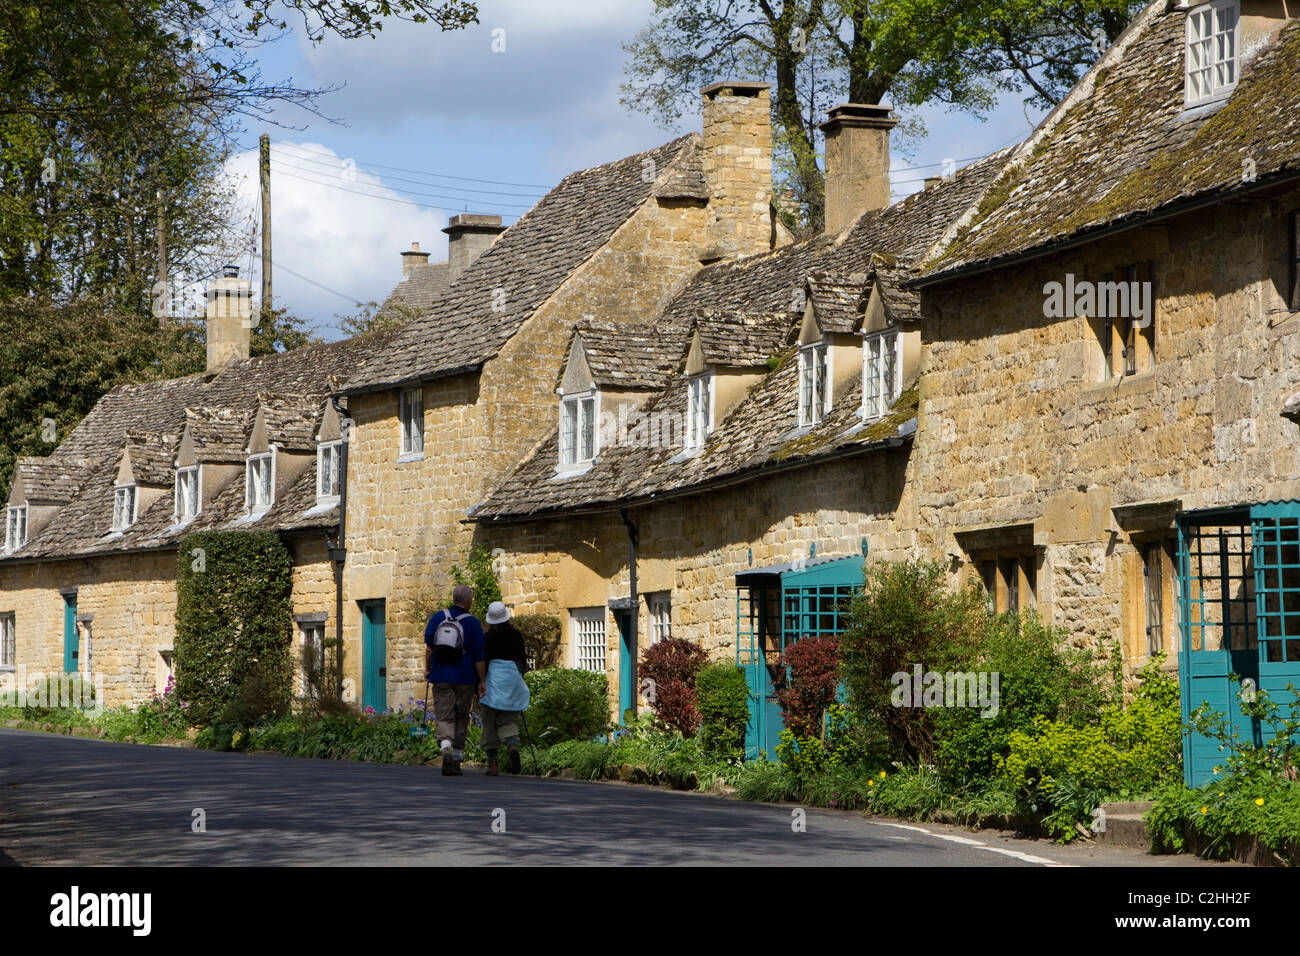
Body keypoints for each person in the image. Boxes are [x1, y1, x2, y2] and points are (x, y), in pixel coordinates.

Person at [424, 585, 485, 776]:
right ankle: (457, 760)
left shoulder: (437, 618)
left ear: (453, 598)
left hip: (441, 676)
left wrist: (428, 669)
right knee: (460, 717)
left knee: (444, 716)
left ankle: (446, 748)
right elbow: (479, 657)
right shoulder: (473, 624)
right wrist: (481, 681)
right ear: (469, 601)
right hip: (465, 678)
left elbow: (429, 649)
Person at [478, 601, 530, 776]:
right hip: (512, 680)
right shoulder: (516, 635)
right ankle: (512, 747)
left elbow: (482, 661)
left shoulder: (487, 637)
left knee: (489, 722)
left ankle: (493, 765)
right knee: (508, 720)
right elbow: (523, 660)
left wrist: (480, 682)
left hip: (493, 681)